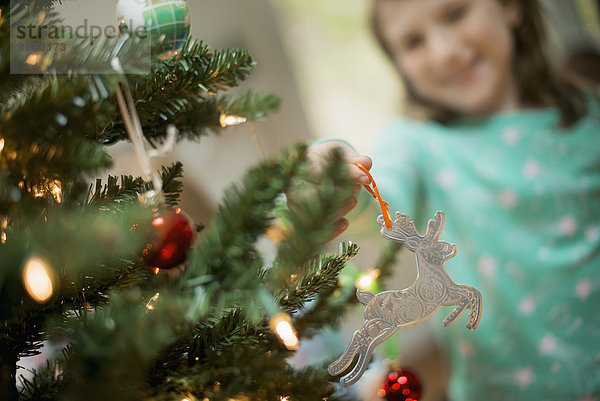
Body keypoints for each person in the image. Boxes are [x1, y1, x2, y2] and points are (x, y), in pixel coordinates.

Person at [308, 0, 600, 399]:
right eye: (413, 42)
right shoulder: (418, 144)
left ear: (510, 6)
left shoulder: (589, 115)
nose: (444, 52)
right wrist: (334, 171)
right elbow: (377, 196)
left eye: (456, 13)